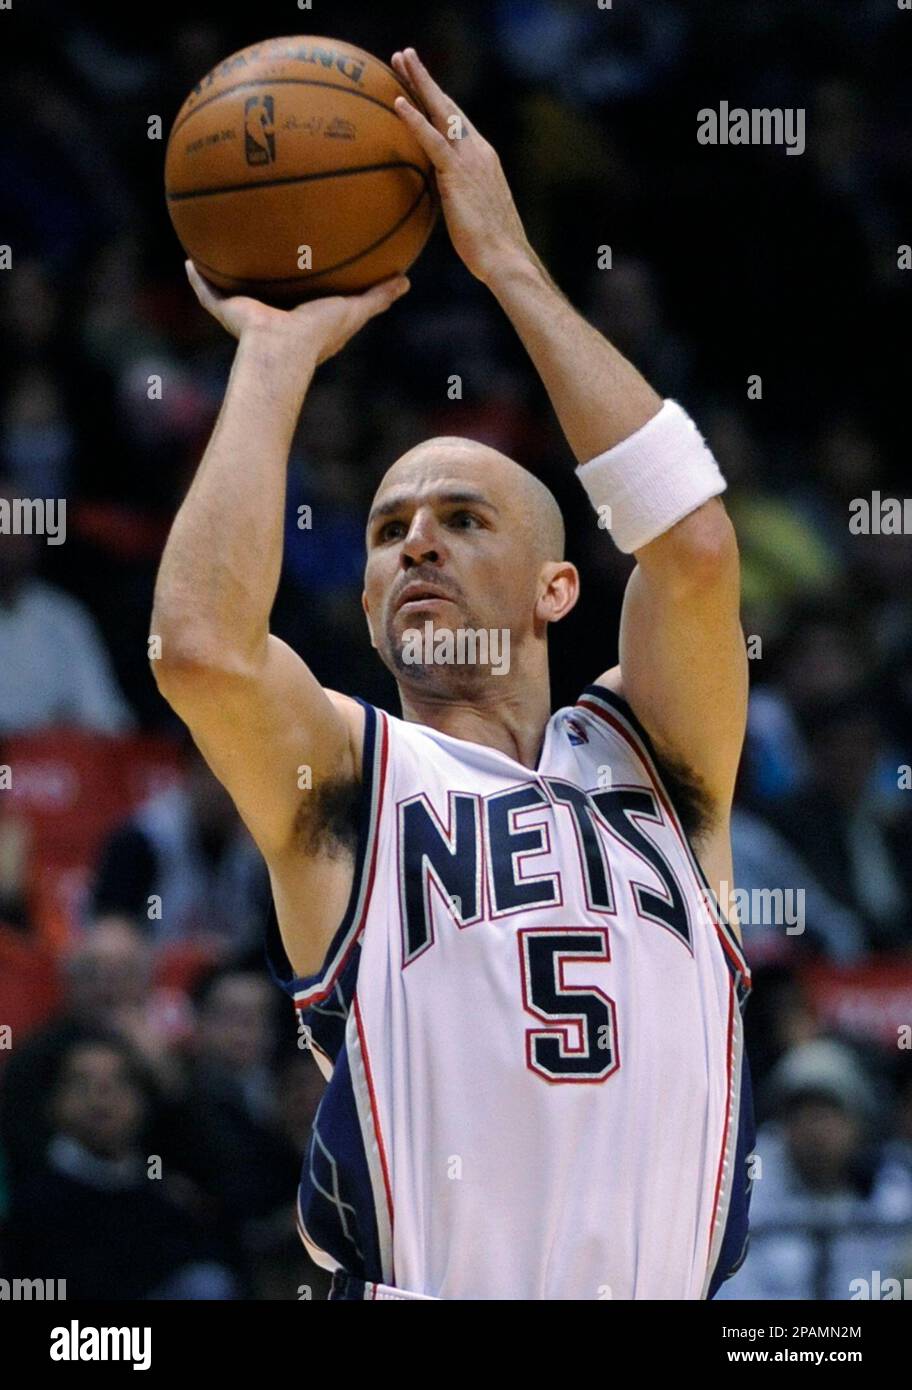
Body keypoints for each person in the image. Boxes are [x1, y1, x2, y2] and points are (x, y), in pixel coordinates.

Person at [151, 47, 754, 1301]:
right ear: (366, 605)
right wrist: (271, 351)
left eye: (464, 519)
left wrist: (508, 264)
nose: (416, 538)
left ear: (557, 589)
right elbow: (201, 651)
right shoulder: (356, 783)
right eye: (386, 531)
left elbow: (693, 544)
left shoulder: (665, 771)